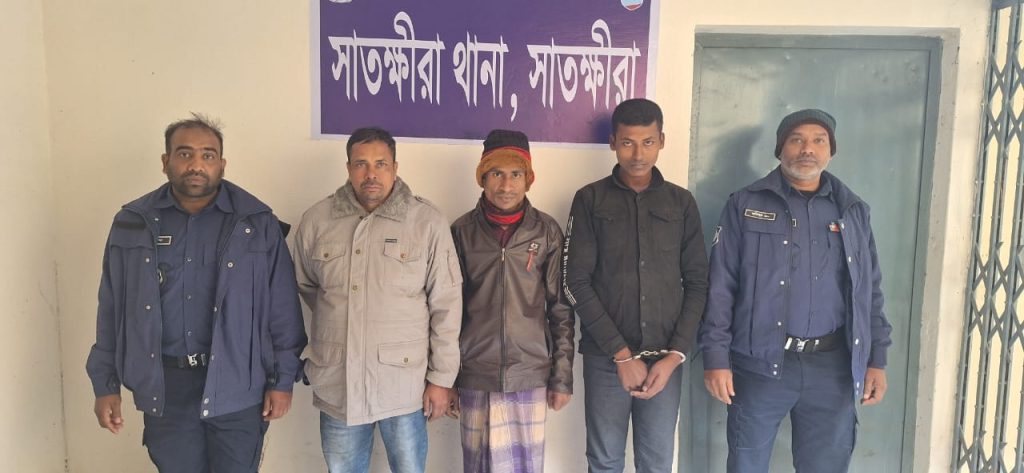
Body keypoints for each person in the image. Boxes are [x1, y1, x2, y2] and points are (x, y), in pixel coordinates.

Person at [85, 113, 308, 473]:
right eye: (185, 154)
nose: (196, 165)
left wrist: (282, 381)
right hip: (166, 387)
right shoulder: (132, 222)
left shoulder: (256, 223)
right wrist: (105, 384)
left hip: (238, 384)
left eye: (207, 155)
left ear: (222, 164)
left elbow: (282, 309)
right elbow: (111, 307)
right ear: (166, 161)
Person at [699, 109, 893, 473]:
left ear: (830, 151)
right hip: (760, 365)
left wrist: (876, 359)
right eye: (797, 140)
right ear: (780, 149)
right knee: (746, 465)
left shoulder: (852, 210)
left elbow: (869, 290)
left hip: (832, 369)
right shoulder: (745, 204)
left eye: (819, 141)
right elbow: (721, 286)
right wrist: (716, 357)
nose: (808, 149)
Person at [293, 126, 463, 473]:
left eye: (380, 164)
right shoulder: (317, 221)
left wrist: (442, 379)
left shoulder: (426, 222)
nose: (371, 174)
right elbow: (308, 288)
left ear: (395, 167)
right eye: (361, 164)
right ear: (348, 168)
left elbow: (446, 305)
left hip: (404, 386)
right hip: (338, 384)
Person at [563, 98, 709, 473]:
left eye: (648, 142)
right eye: (628, 142)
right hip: (606, 360)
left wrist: (675, 356)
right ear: (613, 142)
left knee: (657, 463)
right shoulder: (590, 199)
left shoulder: (681, 203)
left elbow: (698, 282)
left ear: (662, 141)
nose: (638, 154)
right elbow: (574, 281)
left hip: (665, 362)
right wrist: (622, 355)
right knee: (604, 462)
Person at [449, 129, 575, 473]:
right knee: (478, 465)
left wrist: (562, 377)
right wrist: (446, 378)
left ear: (528, 179)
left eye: (516, 174)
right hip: (475, 372)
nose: (506, 185)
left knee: (525, 465)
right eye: (496, 173)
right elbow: (448, 311)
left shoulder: (546, 232)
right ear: (482, 178)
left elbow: (560, 310)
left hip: (529, 373)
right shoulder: (461, 232)